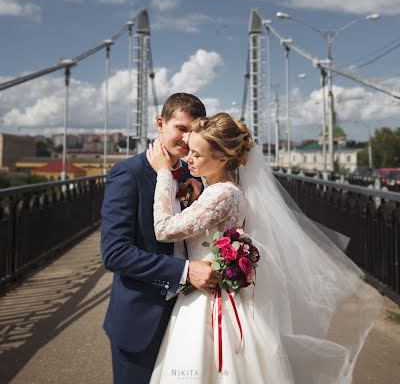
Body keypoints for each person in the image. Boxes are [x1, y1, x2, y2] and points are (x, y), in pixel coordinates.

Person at [147, 112, 382, 384]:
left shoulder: (222, 193)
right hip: (214, 291)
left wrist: (164, 173)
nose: (189, 159)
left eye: (197, 155)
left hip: (208, 298)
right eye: (190, 151)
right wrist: (198, 198)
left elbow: (164, 229)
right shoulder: (222, 190)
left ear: (222, 159)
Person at [101, 93, 220, 384]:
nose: (187, 137)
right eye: (181, 127)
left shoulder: (196, 177)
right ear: (160, 123)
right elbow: (115, 253)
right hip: (142, 319)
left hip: (189, 316)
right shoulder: (128, 174)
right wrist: (184, 271)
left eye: (193, 131)